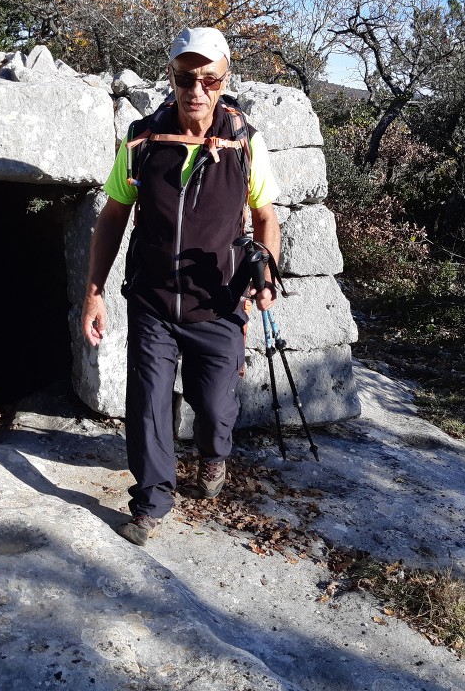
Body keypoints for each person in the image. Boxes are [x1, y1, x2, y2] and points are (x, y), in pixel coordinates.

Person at [81, 27, 281, 546]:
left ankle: (214, 455)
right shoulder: (143, 139)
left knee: (214, 406)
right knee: (147, 402)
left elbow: (265, 217)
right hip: (151, 299)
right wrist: (94, 291)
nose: (196, 91)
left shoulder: (244, 142)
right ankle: (151, 501)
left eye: (209, 80)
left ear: (225, 79)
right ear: (170, 78)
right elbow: (113, 217)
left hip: (217, 301)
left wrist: (266, 274)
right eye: (185, 78)